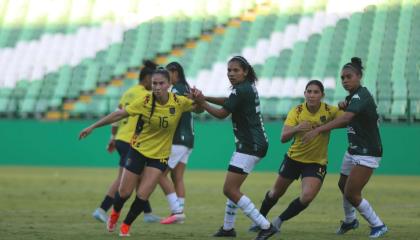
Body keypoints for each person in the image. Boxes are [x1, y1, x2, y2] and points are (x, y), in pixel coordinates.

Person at [79, 67, 201, 237]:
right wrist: (92, 126)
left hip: (159, 156)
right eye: (154, 83)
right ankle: (114, 214)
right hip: (138, 151)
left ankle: (126, 226)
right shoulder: (144, 101)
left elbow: (198, 109)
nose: (157, 87)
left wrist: (200, 99)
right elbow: (118, 114)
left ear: (169, 84)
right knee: (124, 192)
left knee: (143, 194)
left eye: (161, 83)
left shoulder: (178, 101)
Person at [192, 56, 277, 240]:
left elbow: (222, 114)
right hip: (252, 143)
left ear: (245, 71)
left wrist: (202, 103)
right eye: (229, 70)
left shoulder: (242, 89)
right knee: (233, 187)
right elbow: (228, 101)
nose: (231, 73)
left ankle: (265, 226)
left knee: (230, 189)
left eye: (235, 70)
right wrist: (204, 96)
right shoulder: (245, 87)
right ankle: (228, 228)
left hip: (250, 145)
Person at [302, 57, 388, 238]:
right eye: (342, 78)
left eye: (349, 76)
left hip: (368, 151)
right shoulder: (352, 98)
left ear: (359, 76)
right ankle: (350, 220)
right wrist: (341, 108)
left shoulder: (361, 95)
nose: (345, 80)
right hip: (353, 150)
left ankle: (378, 224)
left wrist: (318, 130)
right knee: (343, 184)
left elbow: (345, 119)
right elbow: (346, 120)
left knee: (351, 192)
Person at [249, 80, 343, 240]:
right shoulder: (297, 111)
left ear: (322, 95)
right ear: (305, 93)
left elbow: (345, 120)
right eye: (309, 91)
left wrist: (344, 105)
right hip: (294, 159)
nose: (312, 95)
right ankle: (260, 219)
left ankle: (279, 221)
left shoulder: (330, 111)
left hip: (316, 162)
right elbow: (283, 138)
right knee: (275, 193)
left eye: (316, 92)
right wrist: (297, 128)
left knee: (307, 196)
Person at [92, 60, 161, 224]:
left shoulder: (128, 92)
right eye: (152, 80)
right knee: (124, 178)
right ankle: (102, 209)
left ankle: (148, 213)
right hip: (131, 140)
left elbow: (117, 115)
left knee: (138, 176)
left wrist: (112, 138)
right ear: (145, 79)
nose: (154, 84)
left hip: (121, 138)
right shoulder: (144, 95)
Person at [159, 62, 195, 224]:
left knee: (158, 174)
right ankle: (179, 213)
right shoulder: (185, 88)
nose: (166, 78)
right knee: (177, 177)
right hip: (189, 140)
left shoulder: (175, 90)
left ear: (175, 73)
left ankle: (177, 211)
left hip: (178, 139)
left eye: (168, 74)